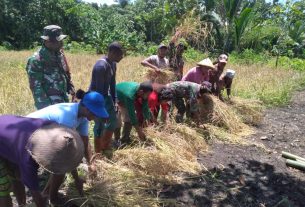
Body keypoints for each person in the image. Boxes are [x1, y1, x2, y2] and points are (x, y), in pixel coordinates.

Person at [27, 90, 109, 205]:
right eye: (95, 114)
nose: (96, 118)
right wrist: (76, 179)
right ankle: (53, 198)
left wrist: (91, 163)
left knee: (61, 164)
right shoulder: (67, 116)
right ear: (86, 108)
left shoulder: (83, 118)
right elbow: (67, 153)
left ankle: (46, 193)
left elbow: (85, 143)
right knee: (62, 166)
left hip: (45, 134)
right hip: (28, 132)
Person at [0, 115, 84, 207]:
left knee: (16, 175)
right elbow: (36, 195)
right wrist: (41, 202)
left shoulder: (58, 133)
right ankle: (21, 203)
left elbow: (68, 159)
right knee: (3, 189)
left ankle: (22, 204)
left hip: (9, 136)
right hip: (8, 137)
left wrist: (77, 179)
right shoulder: (28, 159)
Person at [26, 25, 75, 110]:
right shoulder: (36, 60)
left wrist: (70, 87)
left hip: (63, 101)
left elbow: (65, 73)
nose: (61, 43)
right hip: (49, 106)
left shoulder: (59, 54)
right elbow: (37, 89)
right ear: (48, 41)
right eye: (58, 41)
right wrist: (47, 110)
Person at [89, 42, 124, 153]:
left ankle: (105, 145)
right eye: (120, 55)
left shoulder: (113, 64)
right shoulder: (101, 66)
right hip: (96, 98)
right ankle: (98, 152)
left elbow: (112, 84)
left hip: (105, 95)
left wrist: (115, 102)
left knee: (113, 120)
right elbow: (99, 91)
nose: (122, 57)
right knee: (99, 125)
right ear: (112, 53)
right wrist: (101, 111)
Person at [114, 81, 153, 145]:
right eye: (148, 95)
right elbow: (132, 114)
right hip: (115, 96)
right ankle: (117, 140)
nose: (148, 96)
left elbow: (145, 107)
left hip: (124, 97)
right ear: (141, 92)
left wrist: (148, 120)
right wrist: (139, 131)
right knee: (117, 121)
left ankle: (125, 139)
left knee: (128, 119)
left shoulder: (144, 92)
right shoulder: (130, 96)